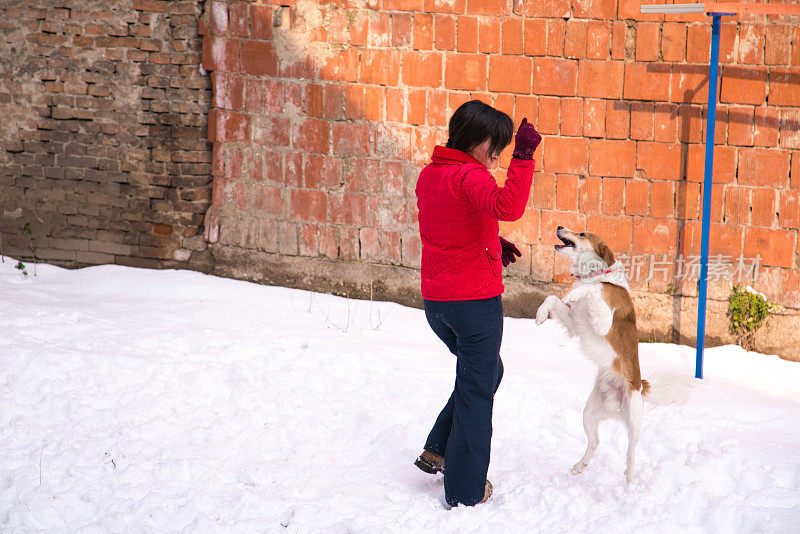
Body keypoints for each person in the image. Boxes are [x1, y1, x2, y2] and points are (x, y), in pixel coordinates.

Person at [413, 100, 541, 507]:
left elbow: (447, 226)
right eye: (497, 147)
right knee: (476, 392)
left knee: (484, 374)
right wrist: (523, 158)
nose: (497, 156)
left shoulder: (431, 174)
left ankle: (438, 448)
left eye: (506, 150)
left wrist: (490, 241)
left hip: (438, 303)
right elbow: (509, 206)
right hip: (475, 305)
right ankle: (466, 491)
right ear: (478, 139)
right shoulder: (470, 176)